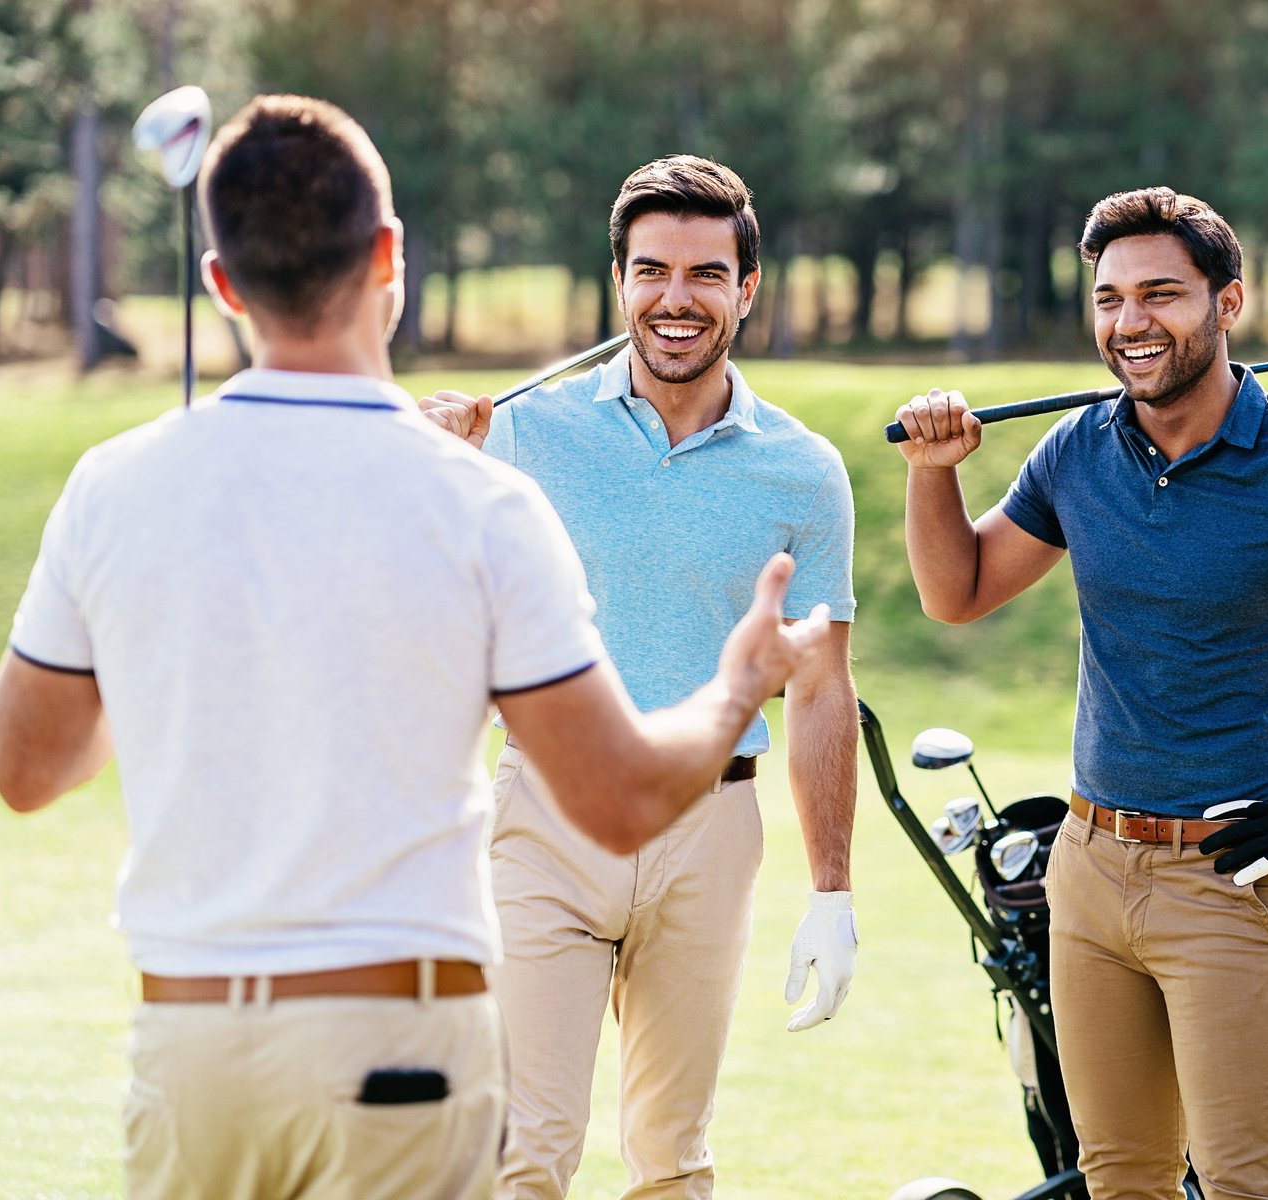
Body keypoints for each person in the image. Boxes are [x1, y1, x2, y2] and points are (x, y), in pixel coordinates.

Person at [0, 97, 829, 1200]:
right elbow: (619, 798)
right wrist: (734, 692)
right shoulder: (484, 505)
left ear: (220, 282)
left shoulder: (113, 486)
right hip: (402, 1054)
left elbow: (28, 768)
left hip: (190, 1051)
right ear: (388, 259)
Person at [892, 186, 1268, 1200]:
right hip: (1088, 869)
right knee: (1119, 1175)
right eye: (1110, 299)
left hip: (1233, 883)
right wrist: (933, 474)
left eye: (1162, 294)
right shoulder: (1079, 449)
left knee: (1246, 1181)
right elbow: (957, 594)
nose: (1130, 323)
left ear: (1228, 303)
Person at [421, 155, 859, 1200]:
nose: (676, 299)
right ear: (618, 280)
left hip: (714, 832)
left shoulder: (803, 470)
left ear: (746, 291)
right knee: (525, 1150)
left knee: (673, 1158)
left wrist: (833, 889)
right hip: (549, 817)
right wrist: (428, 466)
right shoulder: (520, 433)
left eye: (706, 275)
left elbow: (821, 687)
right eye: (652, 270)